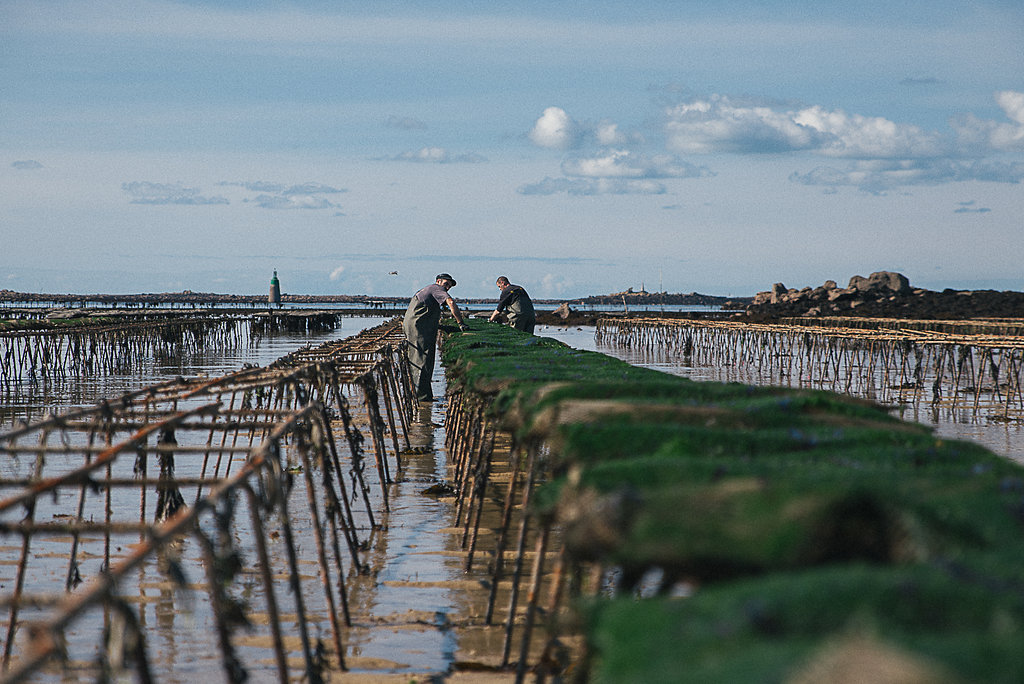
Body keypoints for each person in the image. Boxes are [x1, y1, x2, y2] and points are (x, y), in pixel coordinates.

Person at [403, 273, 467, 402]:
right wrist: (461, 323)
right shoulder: (437, 289)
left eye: (449, 285)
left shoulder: (430, 290)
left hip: (418, 326)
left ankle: (419, 394)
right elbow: (451, 302)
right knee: (421, 360)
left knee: (419, 358)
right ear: (438, 281)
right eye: (446, 284)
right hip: (417, 327)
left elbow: (427, 315)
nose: (447, 287)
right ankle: (421, 398)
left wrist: (442, 327)